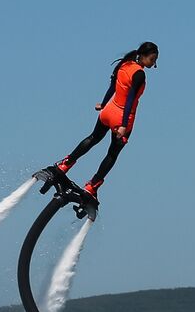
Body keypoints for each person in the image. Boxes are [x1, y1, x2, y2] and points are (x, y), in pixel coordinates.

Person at [52, 42, 158, 200]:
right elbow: (130, 99)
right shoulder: (140, 74)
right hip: (123, 117)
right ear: (143, 56)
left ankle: (64, 165)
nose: (154, 63)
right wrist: (123, 125)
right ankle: (92, 186)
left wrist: (103, 103)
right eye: (152, 59)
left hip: (108, 110)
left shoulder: (125, 64)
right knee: (112, 153)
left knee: (93, 138)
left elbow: (113, 86)